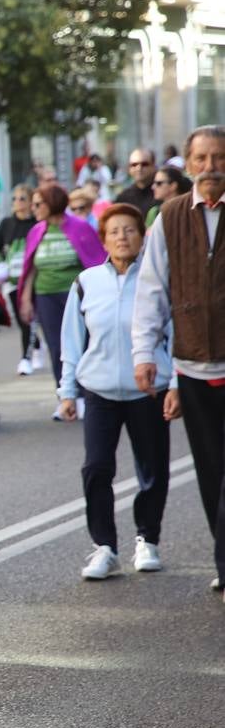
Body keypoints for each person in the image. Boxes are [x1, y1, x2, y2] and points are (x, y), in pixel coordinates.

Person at [132, 125, 225, 602]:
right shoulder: (168, 218)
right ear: (188, 165)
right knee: (211, 470)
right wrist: (144, 353)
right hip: (191, 364)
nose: (211, 167)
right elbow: (151, 291)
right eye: (202, 159)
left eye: (218, 158)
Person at [60, 203, 177, 580]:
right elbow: (72, 342)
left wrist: (175, 383)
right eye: (114, 231)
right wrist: (67, 390)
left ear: (143, 237)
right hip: (100, 392)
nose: (122, 237)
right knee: (96, 467)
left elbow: (176, 337)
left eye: (129, 230)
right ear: (103, 239)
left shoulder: (157, 281)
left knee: (153, 469)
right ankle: (105, 548)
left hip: (149, 391)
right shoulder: (86, 282)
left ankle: (148, 539)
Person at [18, 185, 105, 414]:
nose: (33, 208)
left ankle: (87, 396)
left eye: (38, 204)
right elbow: (30, 269)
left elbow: (96, 263)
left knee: (83, 344)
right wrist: (26, 299)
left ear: (52, 204)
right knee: (56, 346)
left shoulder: (79, 227)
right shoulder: (37, 231)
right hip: (46, 294)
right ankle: (66, 396)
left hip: (75, 294)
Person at [0, 185, 42, 375]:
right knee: (23, 320)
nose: (17, 203)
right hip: (13, 282)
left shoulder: (37, 225)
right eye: (14, 199)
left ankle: (26, 358)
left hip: (34, 280)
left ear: (31, 202)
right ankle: (36, 346)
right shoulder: (6, 224)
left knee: (30, 319)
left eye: (22, 199)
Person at [115, 149, 158, 217]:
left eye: (144, 164)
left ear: (153, 166)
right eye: (134, 164)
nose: (139, 168)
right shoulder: (123, 198)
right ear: (129, 168)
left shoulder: (161, 194)